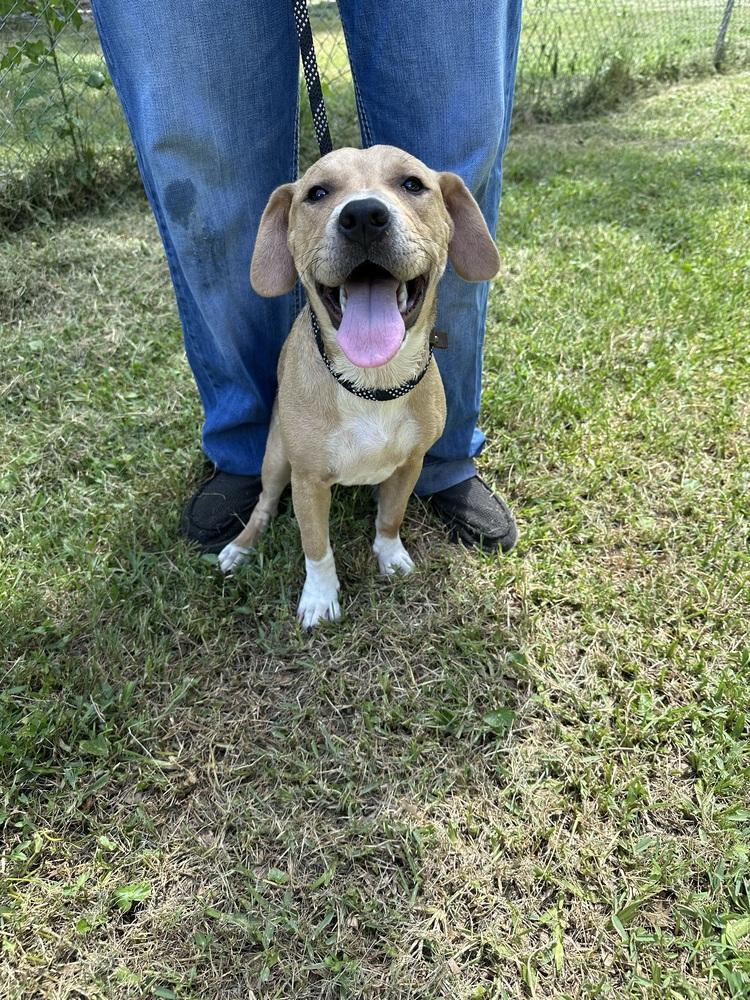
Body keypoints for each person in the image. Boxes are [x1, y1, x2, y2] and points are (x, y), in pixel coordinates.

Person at [92, 0, 523, 554]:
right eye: (321, 194)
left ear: (455, 219)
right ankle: (251, 456)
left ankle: (442, 457)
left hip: (416, 401)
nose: (365, 212)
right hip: (307, 407)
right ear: (285, 231)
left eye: (411, 186)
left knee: (456, 118)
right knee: (206, 159)